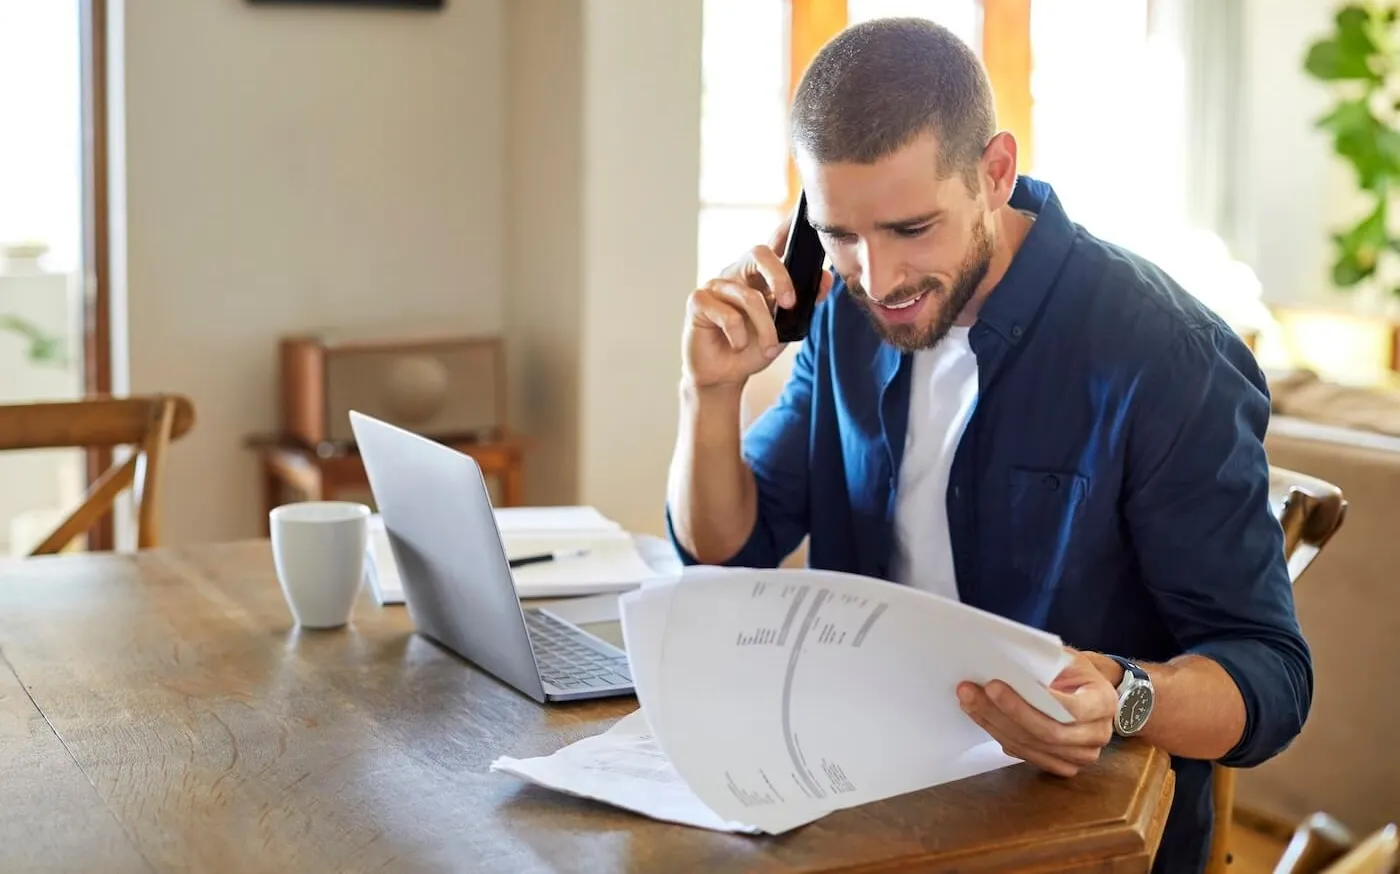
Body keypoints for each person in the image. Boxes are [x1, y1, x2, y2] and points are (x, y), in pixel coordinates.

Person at [664, 16, 1310, 874]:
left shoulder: (1165, 356)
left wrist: (1125, 697)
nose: (879, 278)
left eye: (910, 229)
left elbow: (1269, 675)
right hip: (867, 790)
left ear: (994, 173)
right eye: (839, 235)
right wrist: (709, 394)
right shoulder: (842, 316)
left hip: (1082, 833)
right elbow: (728, 547)